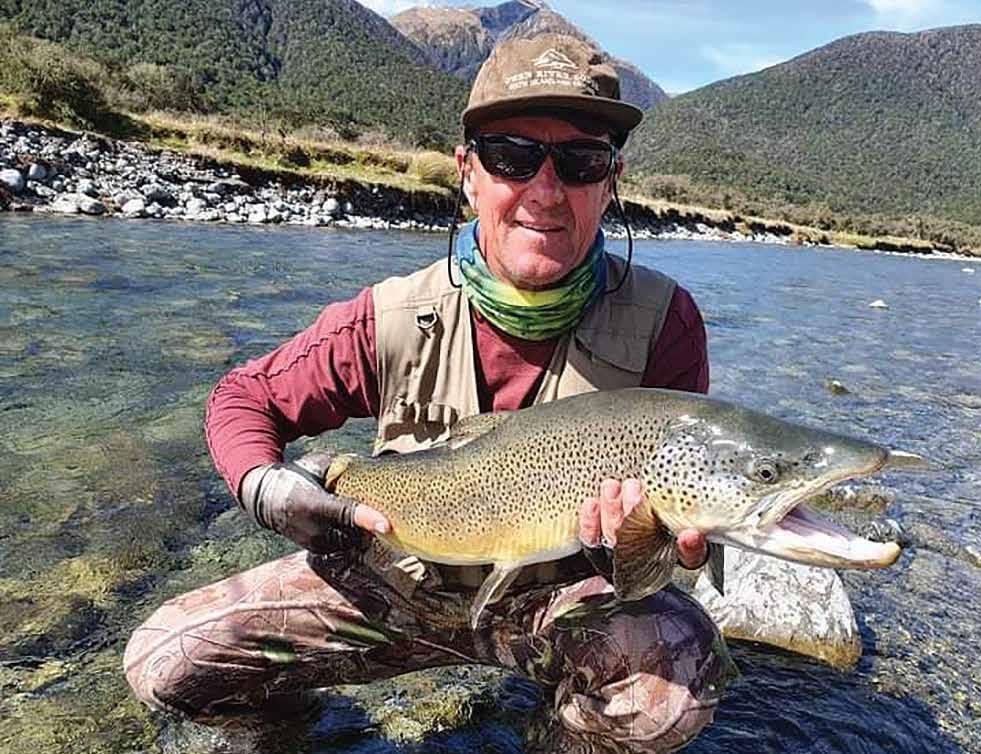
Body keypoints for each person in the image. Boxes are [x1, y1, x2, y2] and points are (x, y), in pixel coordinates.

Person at [123, 34, 735, 752]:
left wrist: (662, 546)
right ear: (468, 172)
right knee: (167, 661)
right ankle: (295, 730)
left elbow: (665, 535)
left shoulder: (665, 323)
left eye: (580, 162)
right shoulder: (388, 316)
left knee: (670, 687)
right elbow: (242, 398)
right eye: (511, 157)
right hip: (390, 589)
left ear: (610, 181)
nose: (545, 191)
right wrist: (268, 489)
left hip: (555, 605)